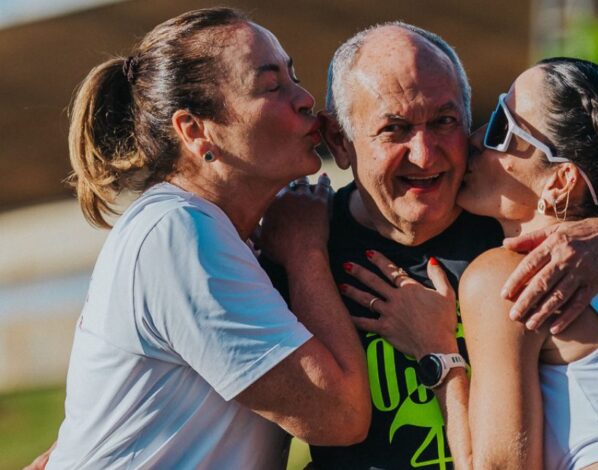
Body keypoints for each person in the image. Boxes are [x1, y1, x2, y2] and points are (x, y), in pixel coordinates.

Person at [261, 22, 598, 469]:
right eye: (396, 128)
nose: (426, 154)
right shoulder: (301, 241)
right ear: (340, 143)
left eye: (447, 121)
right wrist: (304, 255)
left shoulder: (566, 240)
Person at [44, 8, 370, 469]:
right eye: (271, 85)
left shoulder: (219, 233)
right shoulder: (179, 234)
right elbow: (340, 414)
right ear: (195, 131)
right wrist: (304, 252)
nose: (305, 98)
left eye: (293, 76)